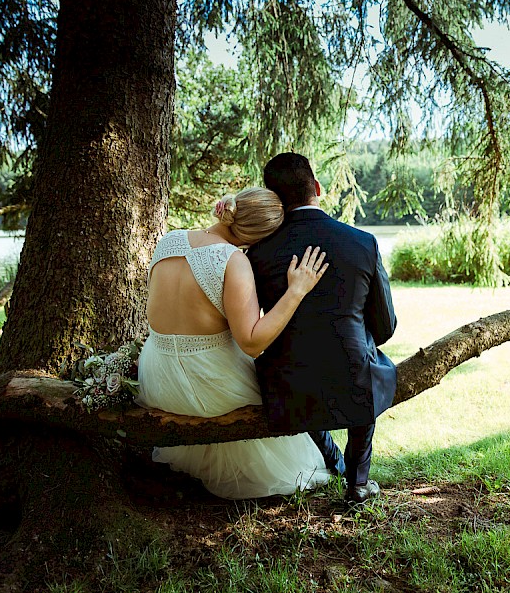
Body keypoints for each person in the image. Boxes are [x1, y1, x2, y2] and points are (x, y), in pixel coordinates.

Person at [137, 187, 332, 499]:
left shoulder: (170, 240)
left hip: (157, 378)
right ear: (262, 237)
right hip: (206, 382)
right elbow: (252, 343)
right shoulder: (232, 261)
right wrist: (296, 291)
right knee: (280, 391)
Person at [247, 152, 397, 507]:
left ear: (276, 200)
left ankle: (334, 462)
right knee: (367, 359)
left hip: (286, 385)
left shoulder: (257, 254)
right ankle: (357, 482)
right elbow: (386, 324)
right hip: (352, 380)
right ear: (316, 187)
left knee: (313, 361)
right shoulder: (362, 242)